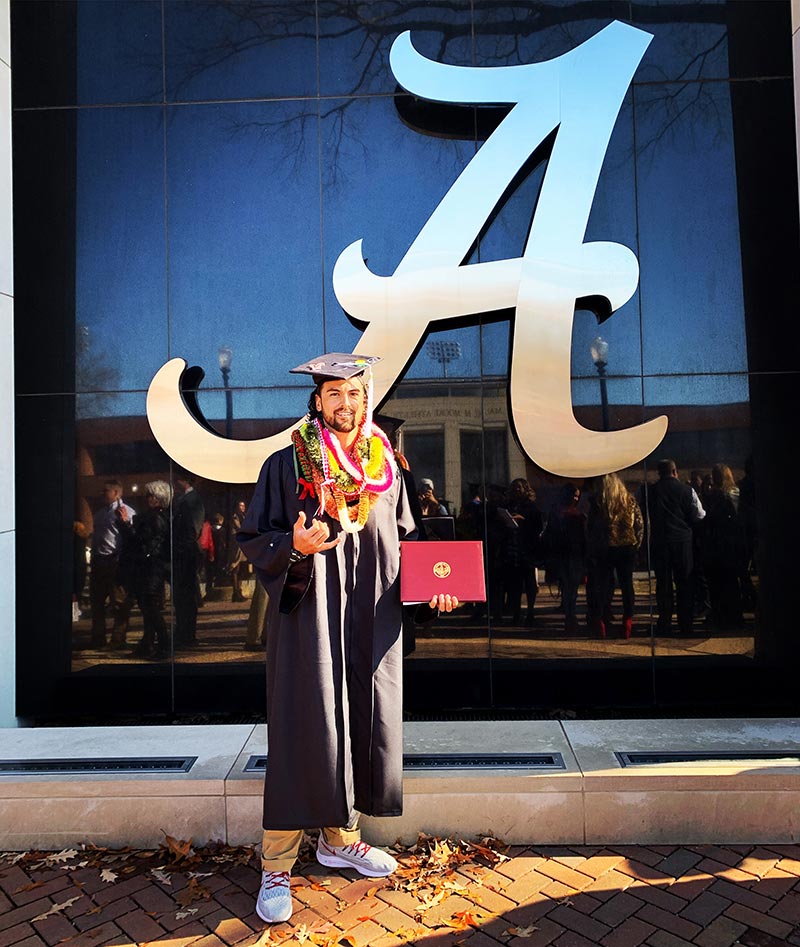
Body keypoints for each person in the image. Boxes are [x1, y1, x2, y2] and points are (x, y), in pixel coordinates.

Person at [236, 353, 457, 924]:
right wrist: (294, 547)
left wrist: (435, 592)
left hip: (369, 622)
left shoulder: (387, 470)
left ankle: (339, 840)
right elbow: (252, 537)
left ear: (366, 400)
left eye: (353, 393)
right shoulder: (286, 469)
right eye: (333, 393)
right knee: (304, 729)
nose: (344, 403)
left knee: (360, 722)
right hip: (308, 621)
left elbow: (408, 549)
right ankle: (277, 865)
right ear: (317, 401)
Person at [645, 459, 704, 635]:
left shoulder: (650, 491)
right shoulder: (687, 490)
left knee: (663, 584)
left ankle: (665, 622)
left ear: (659, 473)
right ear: (675, 471)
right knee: (684, 582)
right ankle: (685, 623)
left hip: (660, 542)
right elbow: (699, 514)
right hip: (682, 541)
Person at [119, 480, 172, 659]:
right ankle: (148, 644)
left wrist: (125, 523)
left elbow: (139, 542)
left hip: (149, 568)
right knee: (149, 608)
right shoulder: (160, 516)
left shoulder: (153, 517)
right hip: (153, 567)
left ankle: (163, 646)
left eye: (149, 495)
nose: (146, 498)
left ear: (157, 499)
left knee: (150, 607)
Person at [587, 473, 644, 639]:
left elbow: (590, 528)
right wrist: (636, 546)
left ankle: (600, 621)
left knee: (603, 585)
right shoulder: (630, 500)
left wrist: (591, 549)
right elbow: (639, 524)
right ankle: (627, 621)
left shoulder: (597, 502)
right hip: (627, 546)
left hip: (604, 547)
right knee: (627, 586)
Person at [89, 479, 136, 649]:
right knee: (97, 601)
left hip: (115, 561)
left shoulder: (127, 512)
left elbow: (130, 537)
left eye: (106, 491)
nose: (103, 494)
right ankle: (98, 637)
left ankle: (118, 638)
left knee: (120, 602)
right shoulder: (101, 514)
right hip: (100, 560)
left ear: (116, 493)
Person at [172, 471, 205, 647]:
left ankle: (188, 634)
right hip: (183, 552)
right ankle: (182, 631)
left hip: (187, 553)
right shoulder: (184, 499)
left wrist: (182, 546)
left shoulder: (192, 500)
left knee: (187, 596)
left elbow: (193, 528)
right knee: (181, 597)